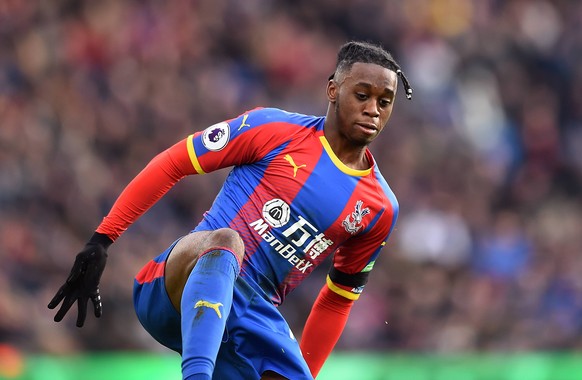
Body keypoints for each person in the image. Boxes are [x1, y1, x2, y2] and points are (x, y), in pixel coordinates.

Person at [48, 40, 413, 380]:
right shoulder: (273, 128)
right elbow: (174, 163)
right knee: (228, 242)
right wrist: (102, 240)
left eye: (385, 102)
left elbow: (337, 300)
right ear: (333, 90)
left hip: (245, 323)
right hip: (174, 285)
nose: (373, 110)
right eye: (362, 95)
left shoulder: (379, 207)